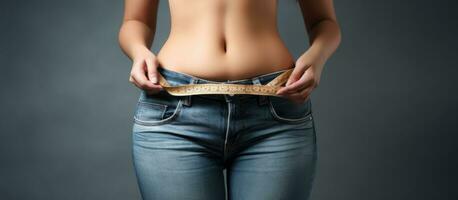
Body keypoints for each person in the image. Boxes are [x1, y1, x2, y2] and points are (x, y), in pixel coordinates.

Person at [118, 0, 341, 199]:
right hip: (174, 117)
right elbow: (135, 20)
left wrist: (317, 57)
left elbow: (324, 21)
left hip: (274, 118)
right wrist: (139, 52)